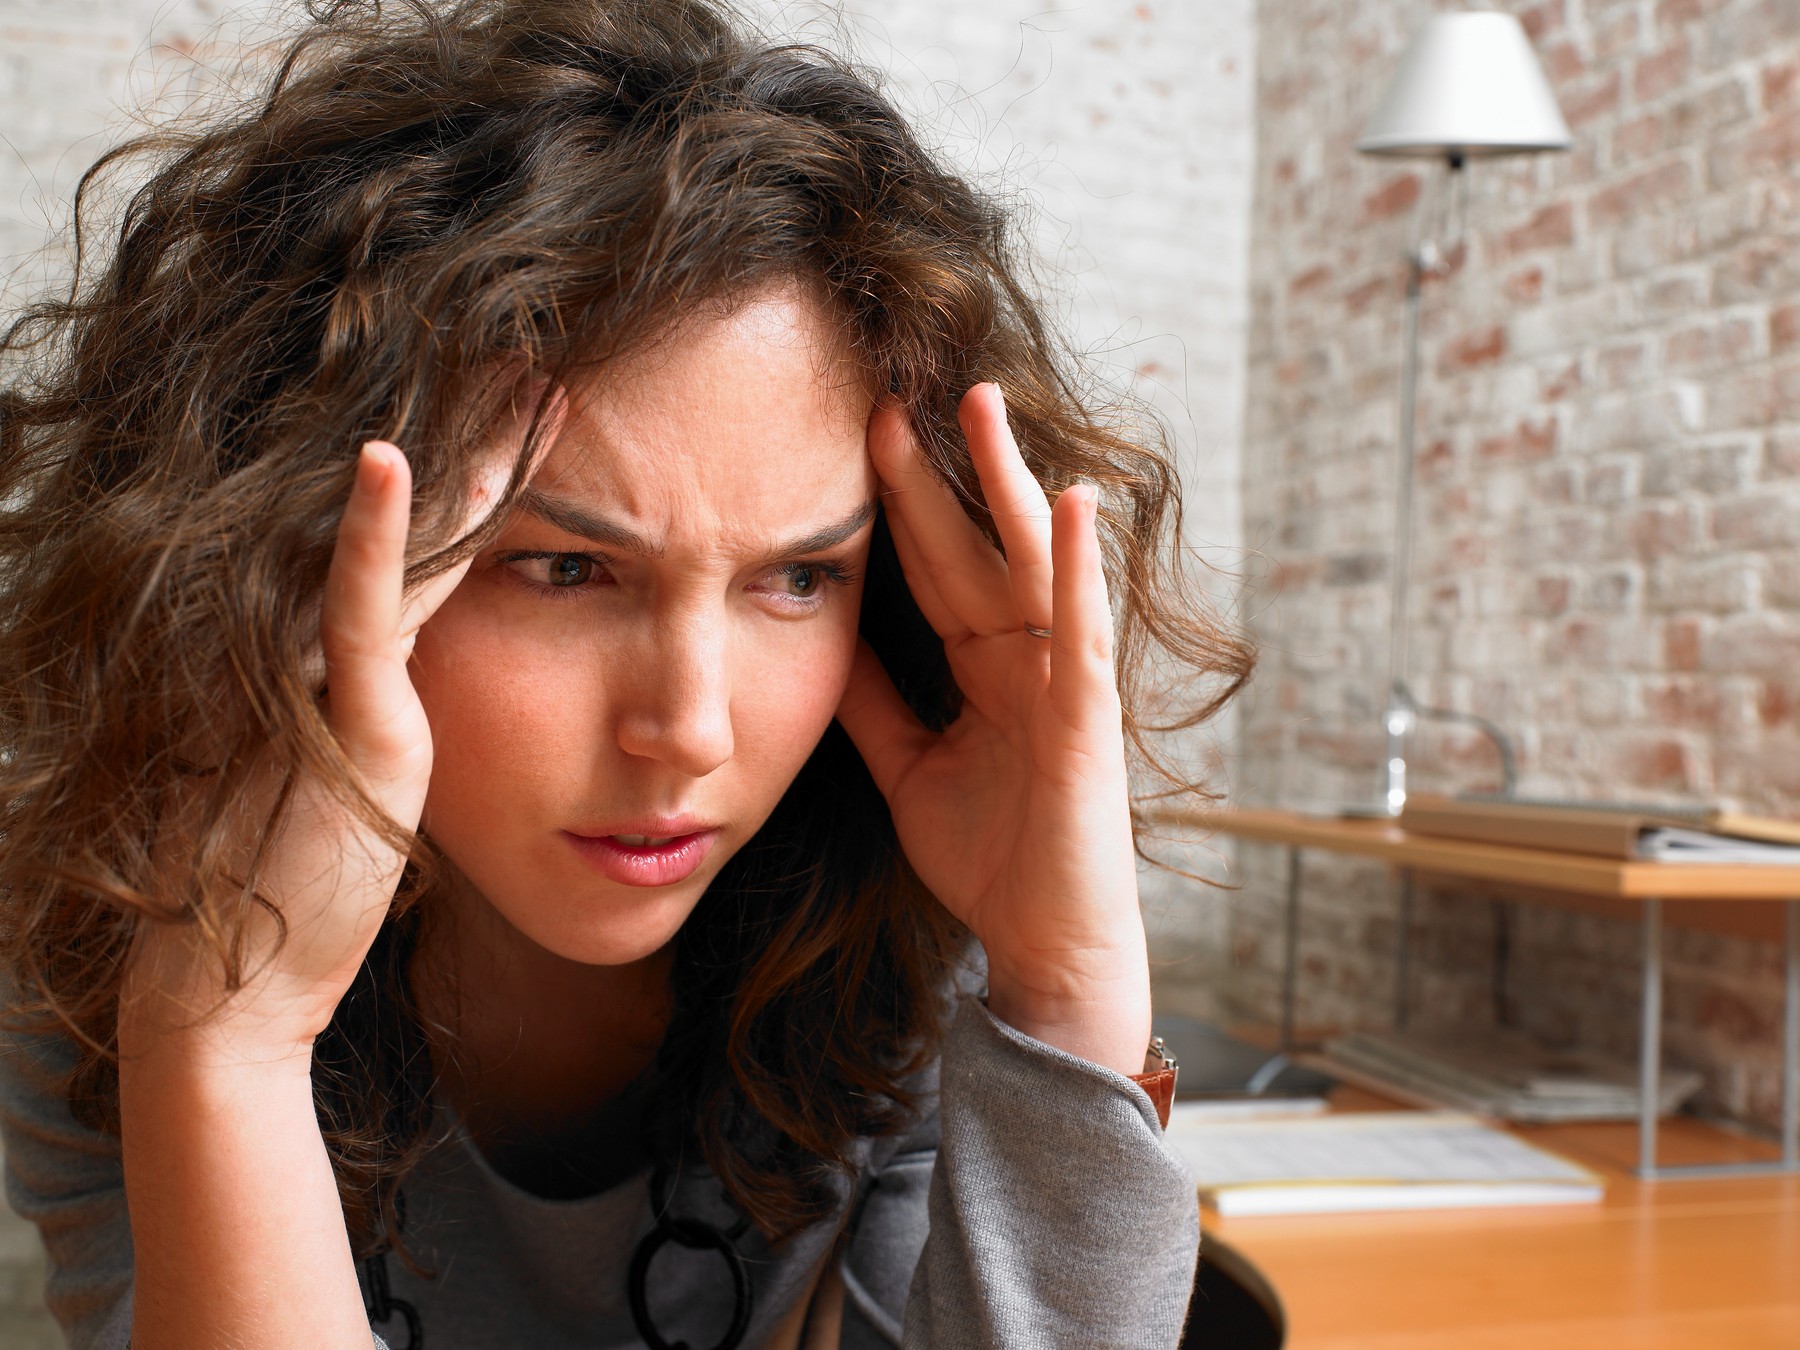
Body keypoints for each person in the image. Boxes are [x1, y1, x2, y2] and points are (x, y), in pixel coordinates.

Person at [0, 1, 1252, 1347]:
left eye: (797, 575)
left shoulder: (887, 930)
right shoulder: (109, 931)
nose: (690, 731)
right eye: (565, 568)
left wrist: (1068, 992)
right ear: (282, 556)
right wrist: (227, 1045)